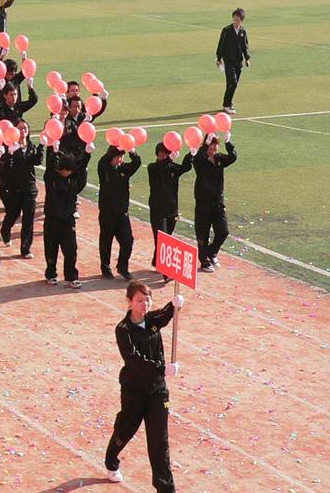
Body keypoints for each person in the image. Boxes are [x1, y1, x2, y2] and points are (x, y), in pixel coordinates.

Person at [103, 280, 184, 491]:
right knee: (126, 429)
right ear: (129, 302)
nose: (144, 305)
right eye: (139, 300)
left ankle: (165, 489)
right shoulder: (123, 330)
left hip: (157, 391)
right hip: (134, 391)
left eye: (147, 300)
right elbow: (134, 361)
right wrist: (162, 369)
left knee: (159, 442)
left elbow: (165, 315)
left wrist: (174, 304)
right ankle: (111, 459)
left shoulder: (152, 320)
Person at [42, 150, 89, 288]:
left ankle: (71, 276)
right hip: (52, 219)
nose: (68, 172)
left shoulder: (73, 181)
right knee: (51, 249)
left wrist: (87, 155)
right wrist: (52, 150)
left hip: (68, 220)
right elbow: (49, 168)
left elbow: (81, 175)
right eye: (66, 170)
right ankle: (51, 274)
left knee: (71, 249)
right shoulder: (51, 179)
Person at [193, 132, 237, 273]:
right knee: (203, 233)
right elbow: (196, 159)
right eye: (211, 144)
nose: (213, 147)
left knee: (223, 231)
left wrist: (228, 143)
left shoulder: (219, 159)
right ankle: (204, 260)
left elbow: (233, 157)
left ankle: (211, 252)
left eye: (215, 145)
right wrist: (205, 144)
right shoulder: (201, 160)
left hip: (218, 203)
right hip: (203, 204)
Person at [0, 119, 43, 258]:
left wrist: (42, 146)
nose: (23, 130)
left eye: (25, 128)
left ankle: (25, 248)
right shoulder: (10, 147)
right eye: (20, 128)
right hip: (14, 188)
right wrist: (10, 154)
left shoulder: (31, 146)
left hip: (29, 188)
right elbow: (5, 167)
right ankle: (5, 230)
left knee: (28, 218)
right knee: (13, 214)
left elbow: (37, 161)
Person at [147, 142, 193, 272]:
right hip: (158, 210)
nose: (164, 156)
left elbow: (185, 167)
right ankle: (165, 271)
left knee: (167, 236)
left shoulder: (172, 167)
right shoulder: (153, 167)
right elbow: (160, 168)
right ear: (157, 154)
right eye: (162, 154)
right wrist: (169, 159)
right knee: (162, 239)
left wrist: (190, 154)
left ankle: (156, 260)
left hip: (172, 210)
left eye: (166, 153)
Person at [97, 144, 141, 280]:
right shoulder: (104, 169)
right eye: (117, 157)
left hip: (122, 213)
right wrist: (117, 146)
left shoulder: (124, 169)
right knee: (106, 241)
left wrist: (132, 152)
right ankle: (105, 267)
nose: (120, 159)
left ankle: (122, 266)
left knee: (128, 240)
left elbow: (136, 163)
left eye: (121, 157)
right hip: (107, 213)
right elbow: (103, 160)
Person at [215, 7, 250, 114]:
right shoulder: (226, 30)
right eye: (234, 19)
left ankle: (228, 102)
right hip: (228, 60)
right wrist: (219, 58)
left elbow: (245, 46)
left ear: (241, 20)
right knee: (233, 82)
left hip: (238, 61)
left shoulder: (243, 31)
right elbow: (221, 44)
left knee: (232, 84)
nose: (235, 22)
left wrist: (247, 58)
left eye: (238, 20)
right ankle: (227, 105)